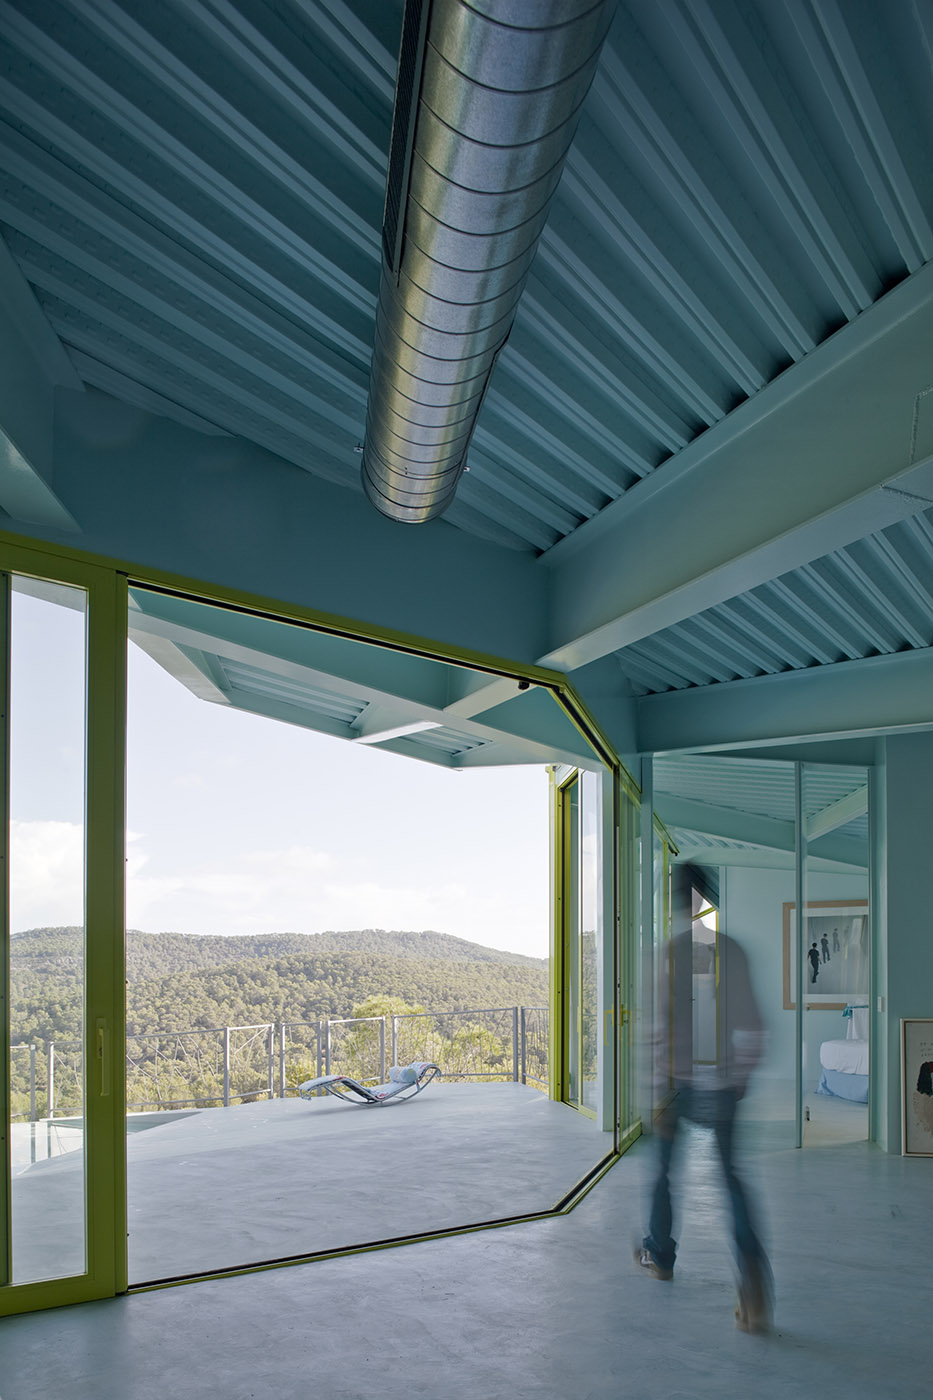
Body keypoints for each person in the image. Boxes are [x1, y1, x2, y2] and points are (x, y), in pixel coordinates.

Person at [634, 914, 773, 1333]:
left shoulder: (667, 954)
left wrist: (656, 1091)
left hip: (677, 1086)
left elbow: (656, 1032)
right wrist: (740, 1076)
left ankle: (660, 1257)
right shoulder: (731, 950)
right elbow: (755, 1027)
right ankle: (752, 1283)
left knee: (663, 1173)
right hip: (723, 1085)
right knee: (731, 1179)